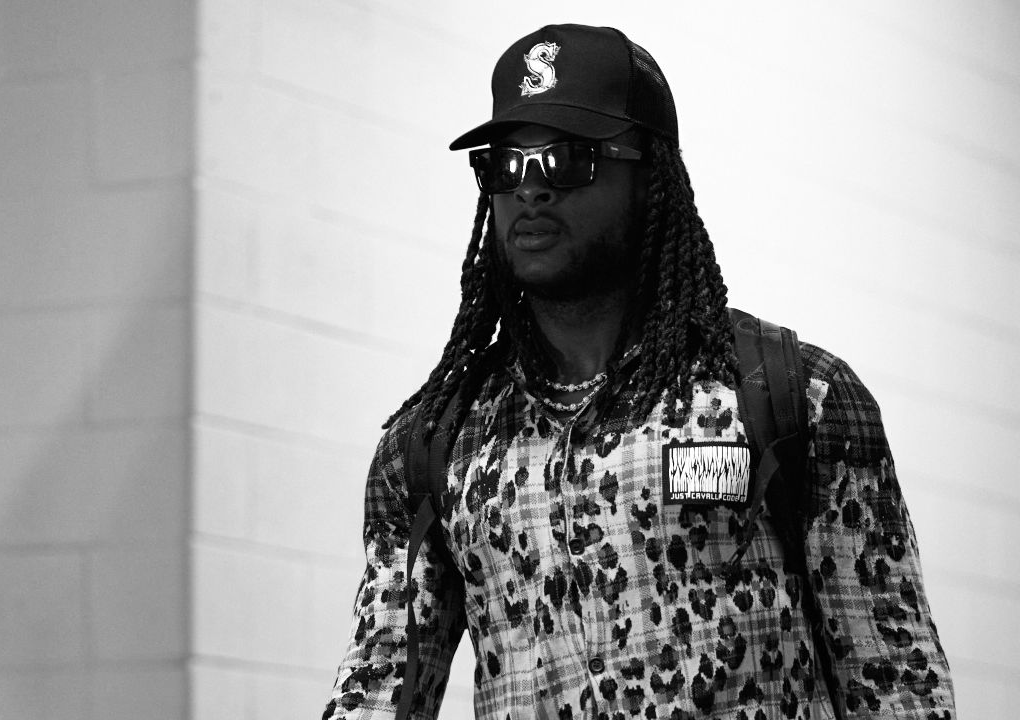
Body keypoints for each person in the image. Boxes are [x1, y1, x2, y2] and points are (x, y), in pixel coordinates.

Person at [322, 24, 955, 720]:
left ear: (650, 176)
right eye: (506, 163)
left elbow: (895, 681)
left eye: (565, 159)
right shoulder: (432, 450)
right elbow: (377, 694)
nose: (530, 190)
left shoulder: (789, 397)